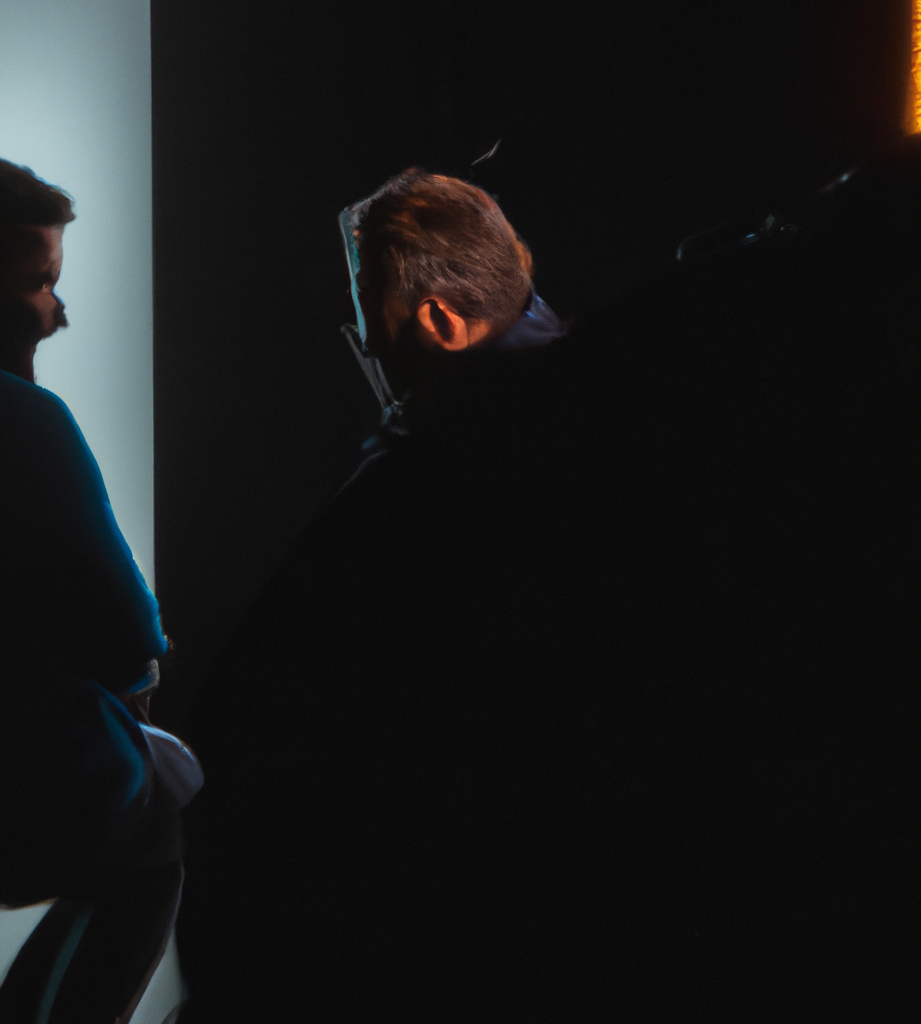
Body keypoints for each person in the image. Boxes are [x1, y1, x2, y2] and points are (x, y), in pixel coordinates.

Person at [175, 169, 670, 1023]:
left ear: (441, 321)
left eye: (377, 337)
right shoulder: (640, 415)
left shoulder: (451, 473)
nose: (373, 360)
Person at [0, 154, 188, 1024]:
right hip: (19, 788)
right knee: (159, 842)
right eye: (39, 284)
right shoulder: (22, 422)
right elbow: (129, 635)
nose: (59, 313)